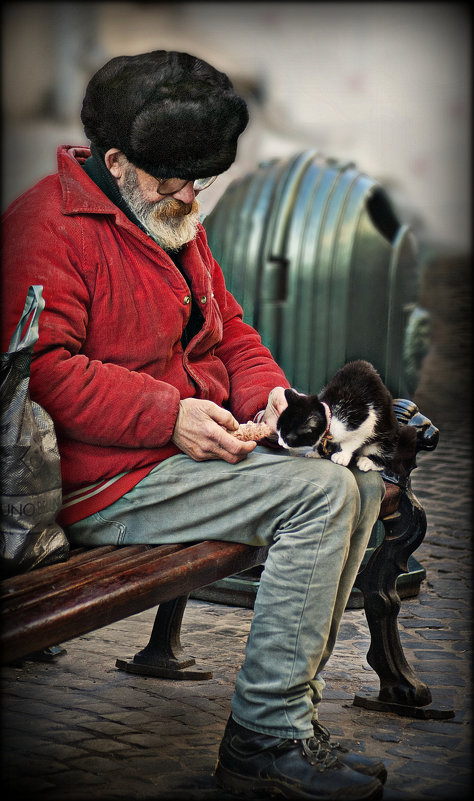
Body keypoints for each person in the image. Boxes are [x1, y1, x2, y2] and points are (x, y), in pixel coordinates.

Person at [2, 50, 387, 800]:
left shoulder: (167, 216)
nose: (188, 196)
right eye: (171, 180)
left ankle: (287, 719)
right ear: (115, 159)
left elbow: (229, 331)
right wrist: (168, 415)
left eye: (200, 181)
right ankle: (265, 738)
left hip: (172, 460)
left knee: (360, 485)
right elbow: (41, 369)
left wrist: (272, 398)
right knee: (322, 495)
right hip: (99, 483)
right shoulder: (44, 227)